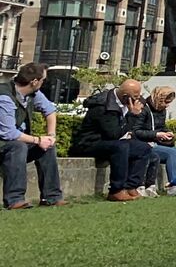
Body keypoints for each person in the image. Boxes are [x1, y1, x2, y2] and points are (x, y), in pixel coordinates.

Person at [73, 79, 156, 201]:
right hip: (90, 143)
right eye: (135, 97)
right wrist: (132, 116)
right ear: (126, 96)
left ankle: (131, 186)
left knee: (143, 148)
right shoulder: (103, 106)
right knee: (121, 147)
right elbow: (113, 134)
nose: (137, 100)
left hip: (110, 142)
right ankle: (116, 190)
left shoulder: (125, 102)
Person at [1, 63, 66, 209]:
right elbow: (9, 133)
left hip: (17, 142)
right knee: (18, 147)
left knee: (47, 148)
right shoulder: (4, 96)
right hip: (5, 143)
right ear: (34, 82)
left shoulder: (33, 94)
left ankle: (51, 197)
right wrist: (38, 140)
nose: (44, 83)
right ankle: (15, 199)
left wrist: (50, 136)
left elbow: (50, 111)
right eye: (43, 80)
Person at [136, 86, 176, 189]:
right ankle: (172, 186)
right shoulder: (143, 109)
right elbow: (137, 131)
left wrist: (167, 133)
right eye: (166, 102)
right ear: (159, 99)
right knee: (172, 153)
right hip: (145, 144)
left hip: (156, 143)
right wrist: (156, 134)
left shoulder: (161, 110)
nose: (167, 105)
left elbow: (161, 126)